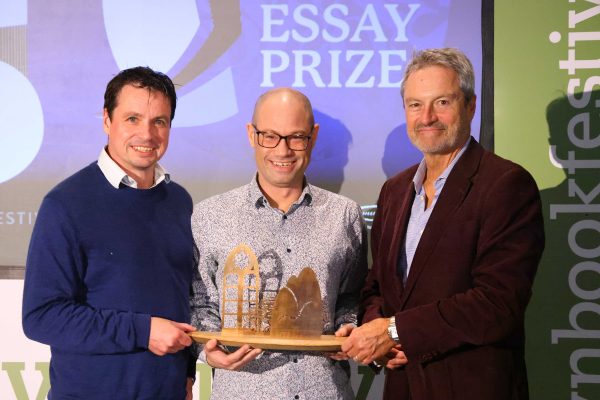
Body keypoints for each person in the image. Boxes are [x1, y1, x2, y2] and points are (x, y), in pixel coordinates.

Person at [342, 48, 545, 400]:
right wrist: (381, 333)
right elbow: (377, 286)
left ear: (470, 105)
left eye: (442, 103)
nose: (428, 117)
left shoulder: (506, 185)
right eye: (415, 105)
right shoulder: (394, 191)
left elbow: (498, 303)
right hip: (403, 385)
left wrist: (394, 330)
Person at [22, 66, 197, 399]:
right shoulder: (65, 204)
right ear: (107, 120)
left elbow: (183, 299)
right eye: (132, 118)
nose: (147, 134)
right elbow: (41, 317)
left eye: (159, 121)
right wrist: (142, 331)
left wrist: (186, 373)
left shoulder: (180, 202)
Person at [188, 87, 368, 399]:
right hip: (242, 391)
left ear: (313, 136)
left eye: (296, 137)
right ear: (251, 134)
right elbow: (201, 302)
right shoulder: (208, 215)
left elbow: (352, 296)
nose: (282, 151)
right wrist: (207, 350)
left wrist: (348, 327)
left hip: (324, 390)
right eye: (269, 136)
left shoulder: (345, 215)